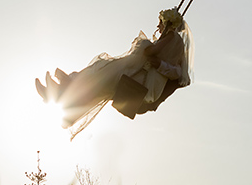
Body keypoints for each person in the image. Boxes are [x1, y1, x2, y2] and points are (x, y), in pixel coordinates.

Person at [35, 8, 193, 137]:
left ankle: (68, 85)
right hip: (145, 83)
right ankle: (65, 100)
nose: (158, 28)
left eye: (160, 24)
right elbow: (172, 67)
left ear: (167, 23)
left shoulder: (172, 37)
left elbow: (154, 55)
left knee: (101, 74)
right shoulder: (174, 43)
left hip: (146, 85)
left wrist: (152, 55)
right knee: (99, 87)